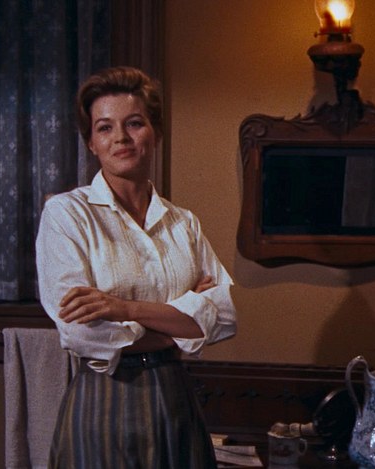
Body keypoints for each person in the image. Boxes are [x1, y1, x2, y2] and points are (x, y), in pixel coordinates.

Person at [35, 66, 237, 469]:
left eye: (134, 123)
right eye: (105, 128)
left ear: (155, 133)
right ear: (91, 142)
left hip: (177, 401)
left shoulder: (183, 224)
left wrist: (123, 309)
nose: (121, 138)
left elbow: (224, 317)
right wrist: (181, 323)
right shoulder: (66, 214)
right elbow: (81, 332)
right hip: (103, 400)